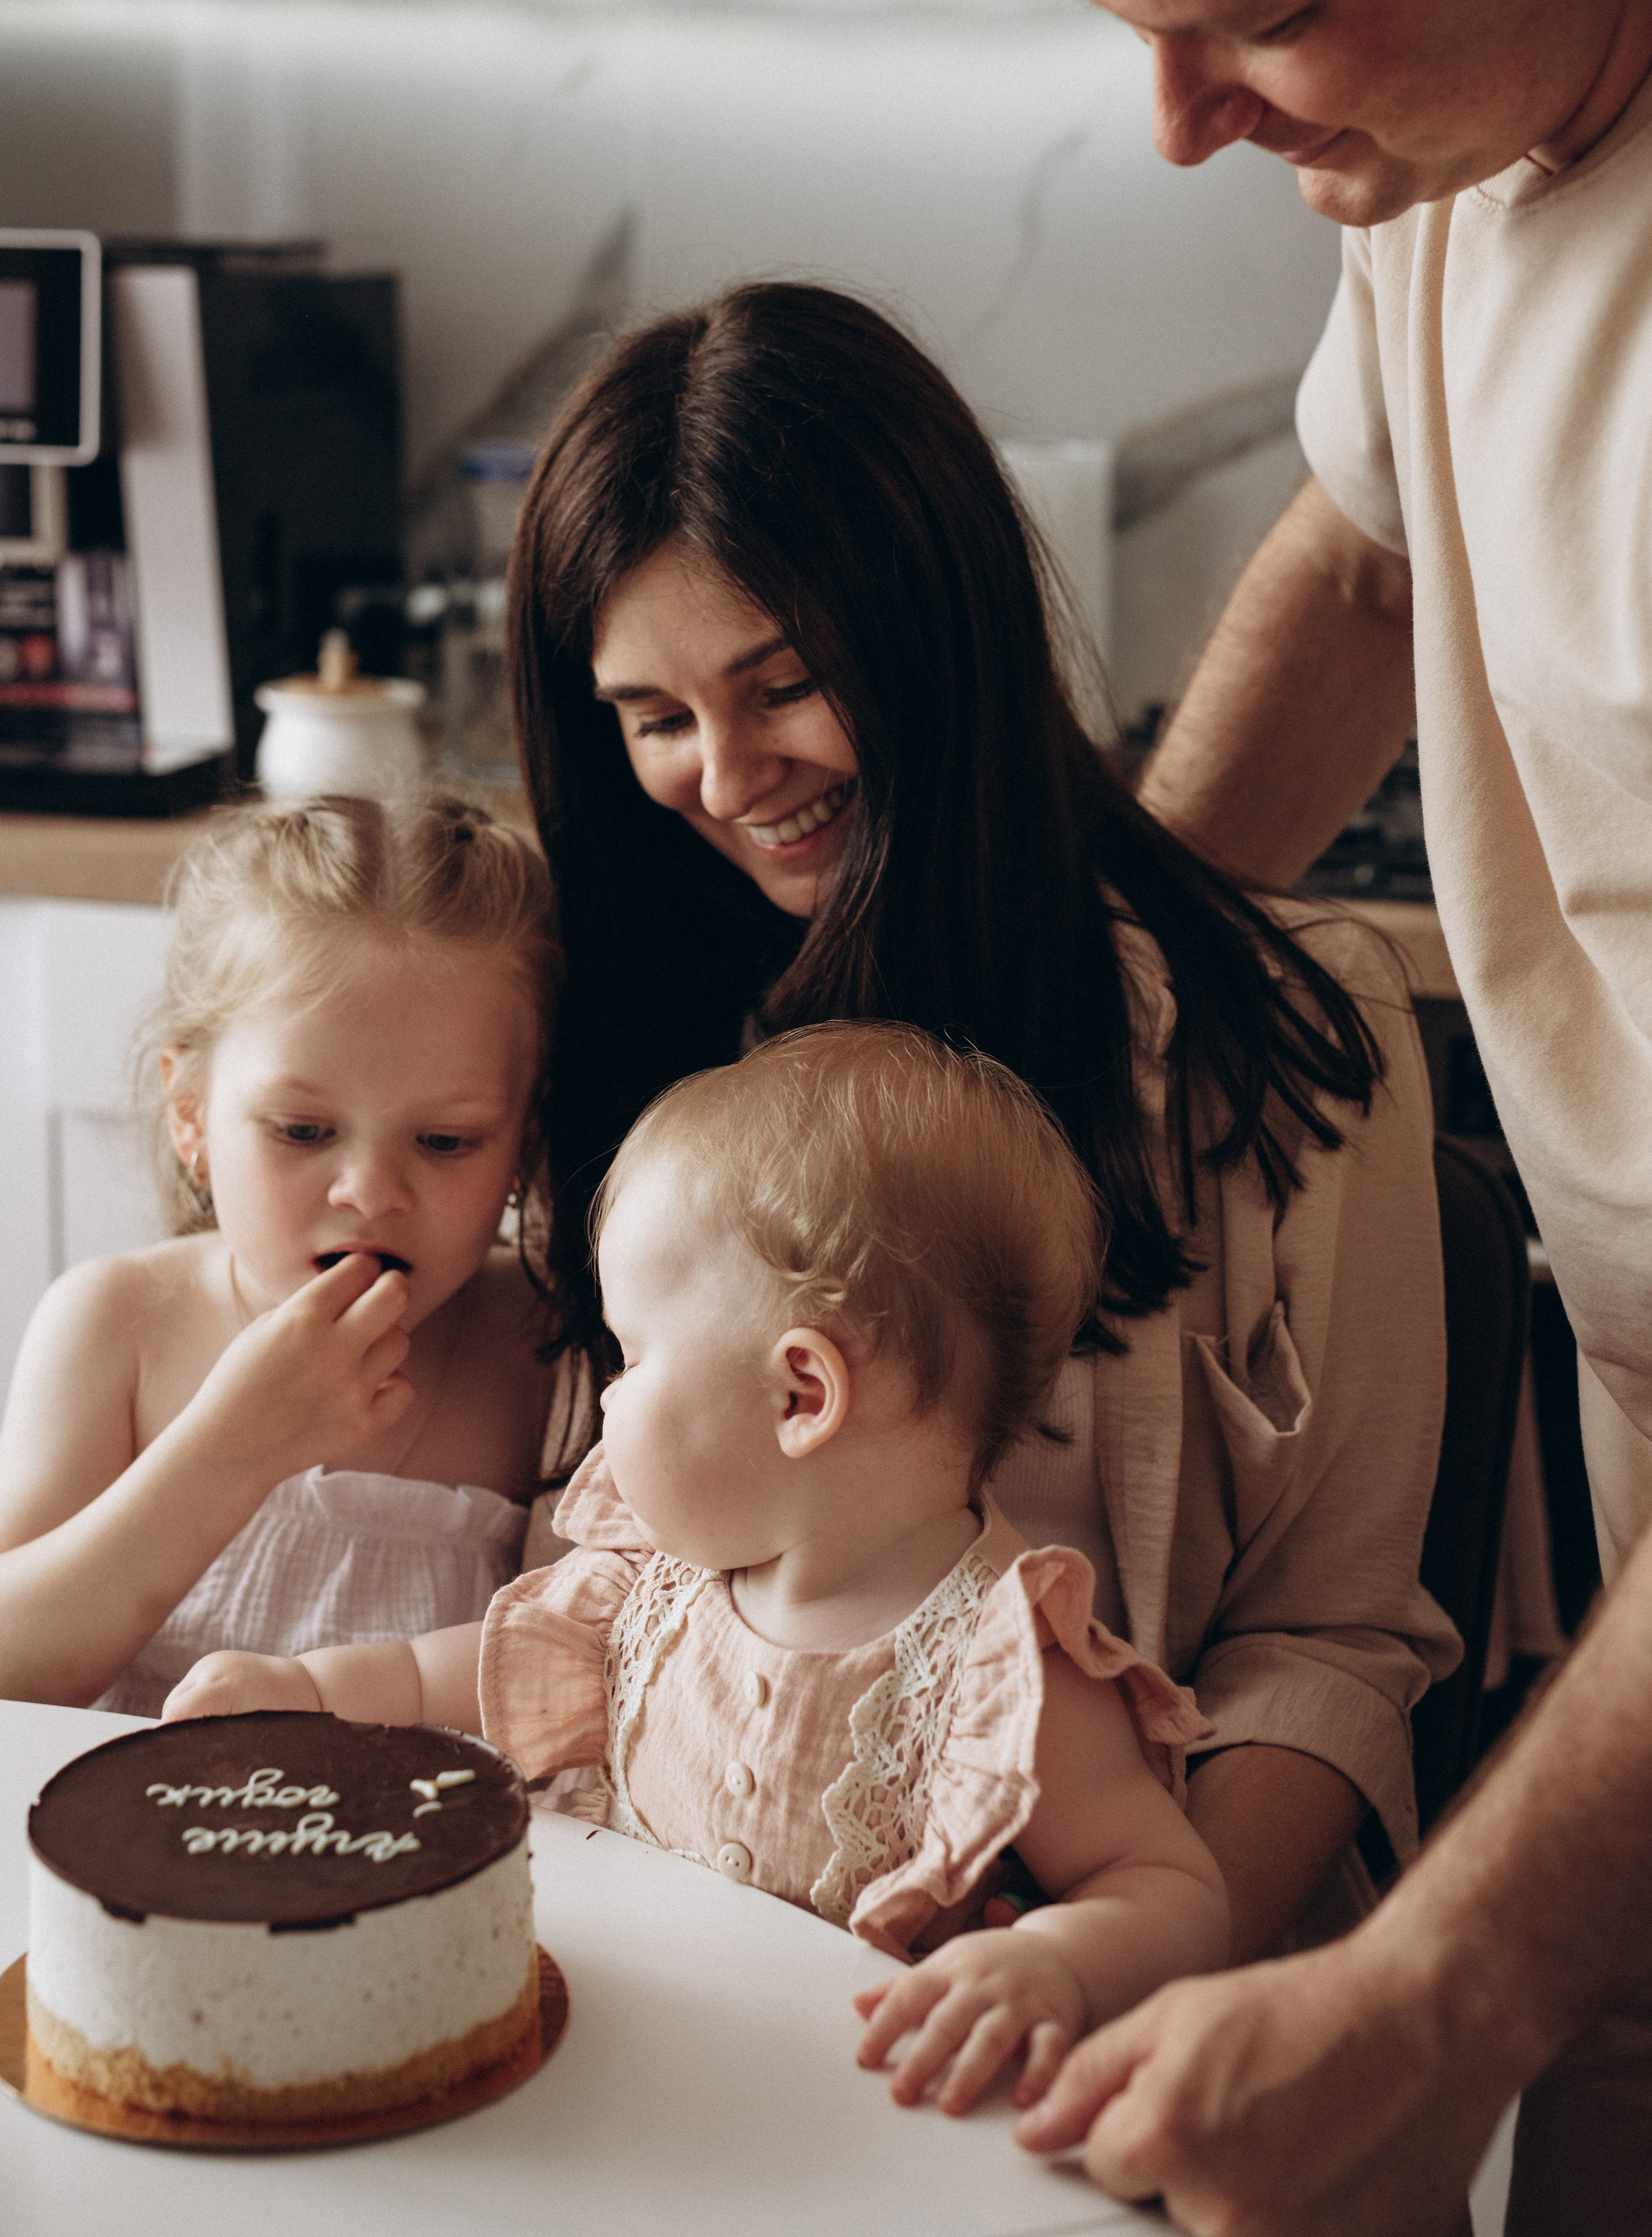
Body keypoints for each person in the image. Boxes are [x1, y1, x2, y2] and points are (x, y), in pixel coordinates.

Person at [951, 0, 1652, 2229]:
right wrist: (1064, 1010)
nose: (1181, 126)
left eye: (1259, 18)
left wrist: (1434, 1995)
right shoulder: (1465, 122)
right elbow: (1361, 557)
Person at [507, 276, 1453, 1973]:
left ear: (934, 634)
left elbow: (1327, 1643)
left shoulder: (1286, 1034)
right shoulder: (615, 1031)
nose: (725, 775)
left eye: (783, 683)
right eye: (653, 719)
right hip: (677, 1953)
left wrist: (1107, 1963)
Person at [166, 1022, 1235, 2111]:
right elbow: (459, 1674)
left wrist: (1056, 1964)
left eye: (631, 1356)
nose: (608, 1395)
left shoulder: (998, 1671)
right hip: (616, 2062)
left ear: (800, 1396)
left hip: (831, 2119)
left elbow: (1167, 1885)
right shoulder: (662, 1581)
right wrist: (306, 1691)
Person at [0, 791, 565, 1716]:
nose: (370, 1193)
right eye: (303, 1131)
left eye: (445, 1142)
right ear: (190, 1116)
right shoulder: (118, 1326)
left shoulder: (548, 1351)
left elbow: (587, 1679)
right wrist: (231, 1449)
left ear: (522, 1146)